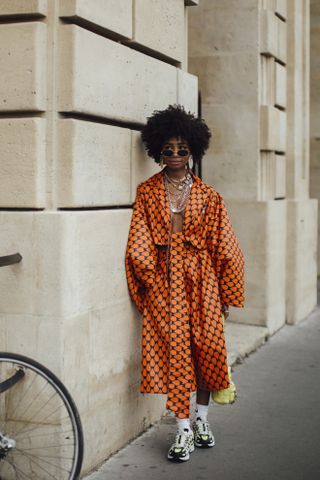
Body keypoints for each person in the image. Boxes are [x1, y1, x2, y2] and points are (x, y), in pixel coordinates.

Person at [125, 105, 245, 462]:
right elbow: (138, 242)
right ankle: (182, 430)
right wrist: (149, 283)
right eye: (168, 149)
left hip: (203, 279)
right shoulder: (146, 192)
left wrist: (225, 291)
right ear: (157, 150)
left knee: (208, 350)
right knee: (176, 354)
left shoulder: (210, 196)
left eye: (182, 149)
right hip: (165, 283)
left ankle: (202, 420)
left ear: (193, 149)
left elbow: (226, 246)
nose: (175, 155)